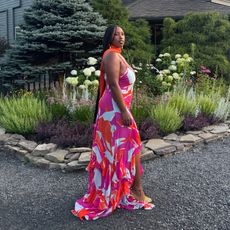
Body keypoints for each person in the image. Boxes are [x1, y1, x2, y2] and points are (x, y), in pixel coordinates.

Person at [71, 25, 154, 221]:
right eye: (116, 34)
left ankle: (129, 190)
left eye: (123, 34)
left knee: (127, 147)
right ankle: (135, 190)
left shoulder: (118, 55)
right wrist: (124, 111)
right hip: (114, 110)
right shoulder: (110, 55)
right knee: (129, 145)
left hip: (117, 108)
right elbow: (114, 84)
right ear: (109, 37)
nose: (121, 37)